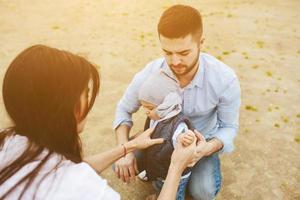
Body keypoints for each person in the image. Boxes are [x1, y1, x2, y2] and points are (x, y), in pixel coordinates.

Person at [0, 45, 206, 200]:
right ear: (69, 107)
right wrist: (177, 166)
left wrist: (129, 146)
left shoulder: (8, 141)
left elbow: (66, 168)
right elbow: (71, 175)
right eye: (86, 93)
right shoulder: (86, 190)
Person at [113, 4, 241, 200]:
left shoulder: (224, 79)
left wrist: (205, 148)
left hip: (201, 142)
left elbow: (229, 127)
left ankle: (172, 182)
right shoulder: (151, 72)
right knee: (118, 163)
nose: (174, 62)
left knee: (203, 193)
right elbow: (123, 110)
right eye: (167, 52)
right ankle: (161, 179)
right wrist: (125, 151)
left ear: (201, 43)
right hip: (159, 141)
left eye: (183, 53)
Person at [137, 70, 198, 200]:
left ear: (167, 105)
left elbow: (185, 142)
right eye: (144, 107)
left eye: (150, 107)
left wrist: (186, 139)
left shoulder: (178, 126)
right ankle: (159, 194)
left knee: (174, 193)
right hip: (160, 165)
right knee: (159, 184)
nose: (146, 112)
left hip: (174, 174)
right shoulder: (157, 116)